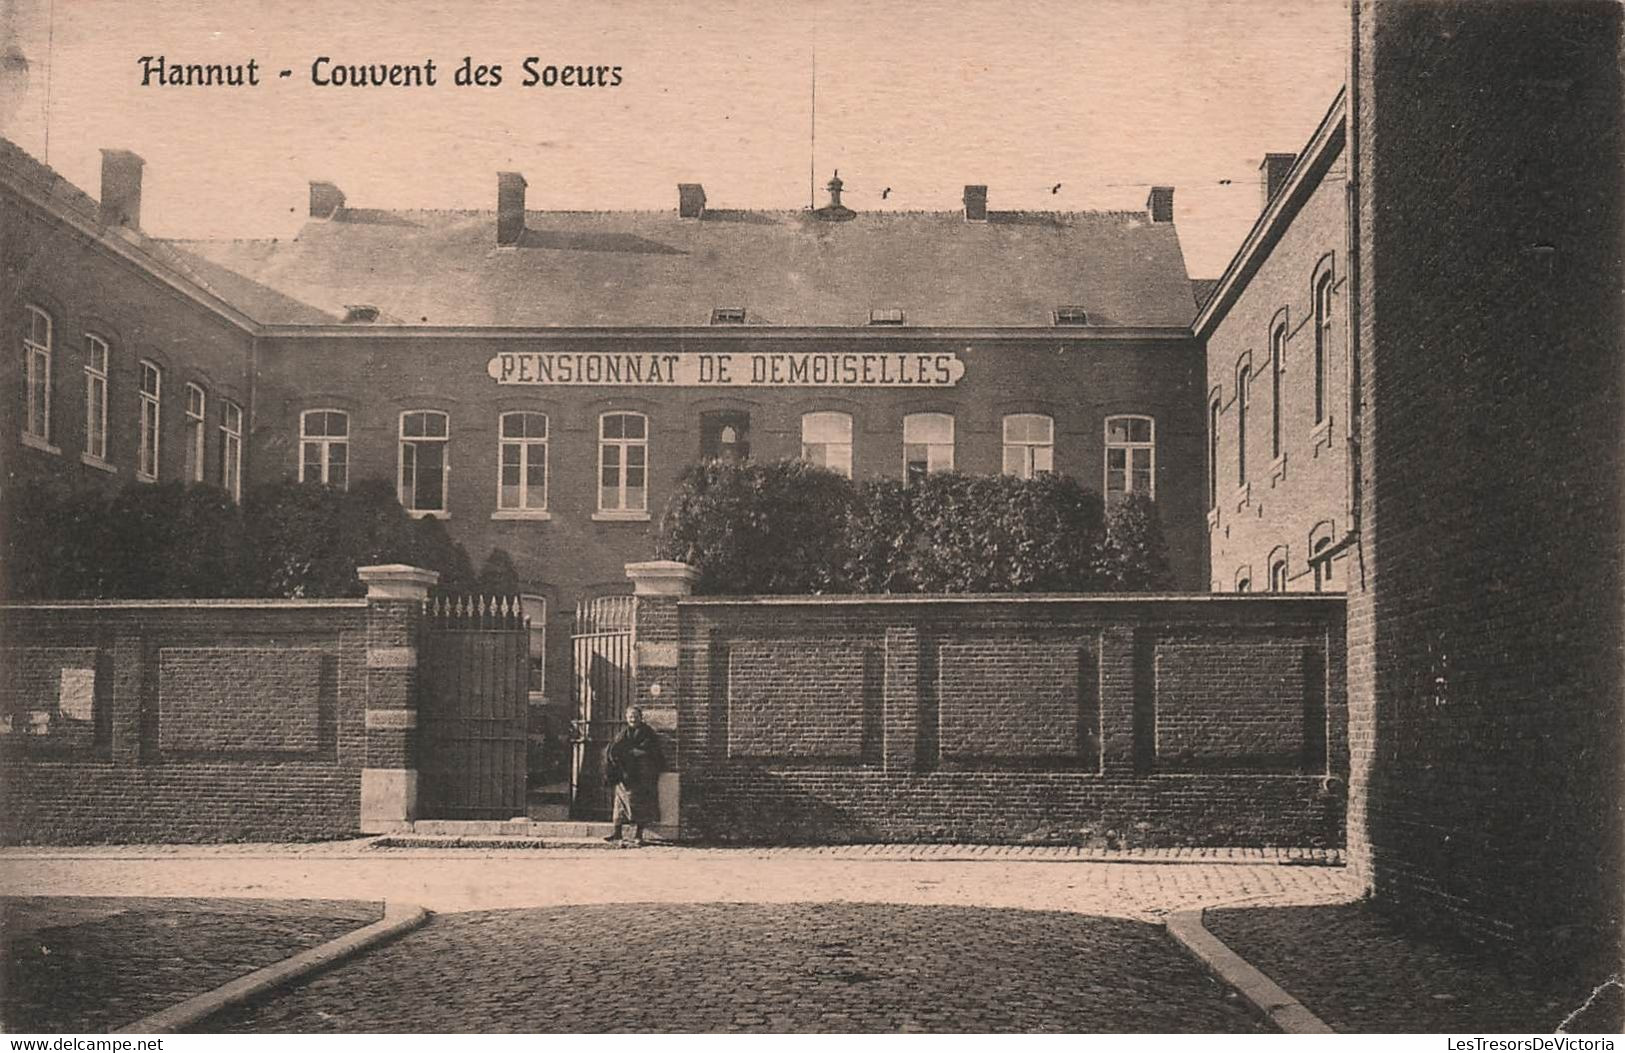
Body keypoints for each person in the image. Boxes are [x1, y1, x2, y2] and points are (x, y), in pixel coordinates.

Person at [603, 705, 664, 846]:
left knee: (639, 805)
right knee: (619, 806)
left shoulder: (647, 733)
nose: (633, 719)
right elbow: (615, 748)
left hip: (641, 776)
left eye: (635, 716)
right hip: (624, 776)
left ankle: (638, 835)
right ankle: (617, 833)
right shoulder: (624, 733)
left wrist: (631, 753)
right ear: (626, 718)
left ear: (641, 717)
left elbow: (648, 751)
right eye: (630, 716)